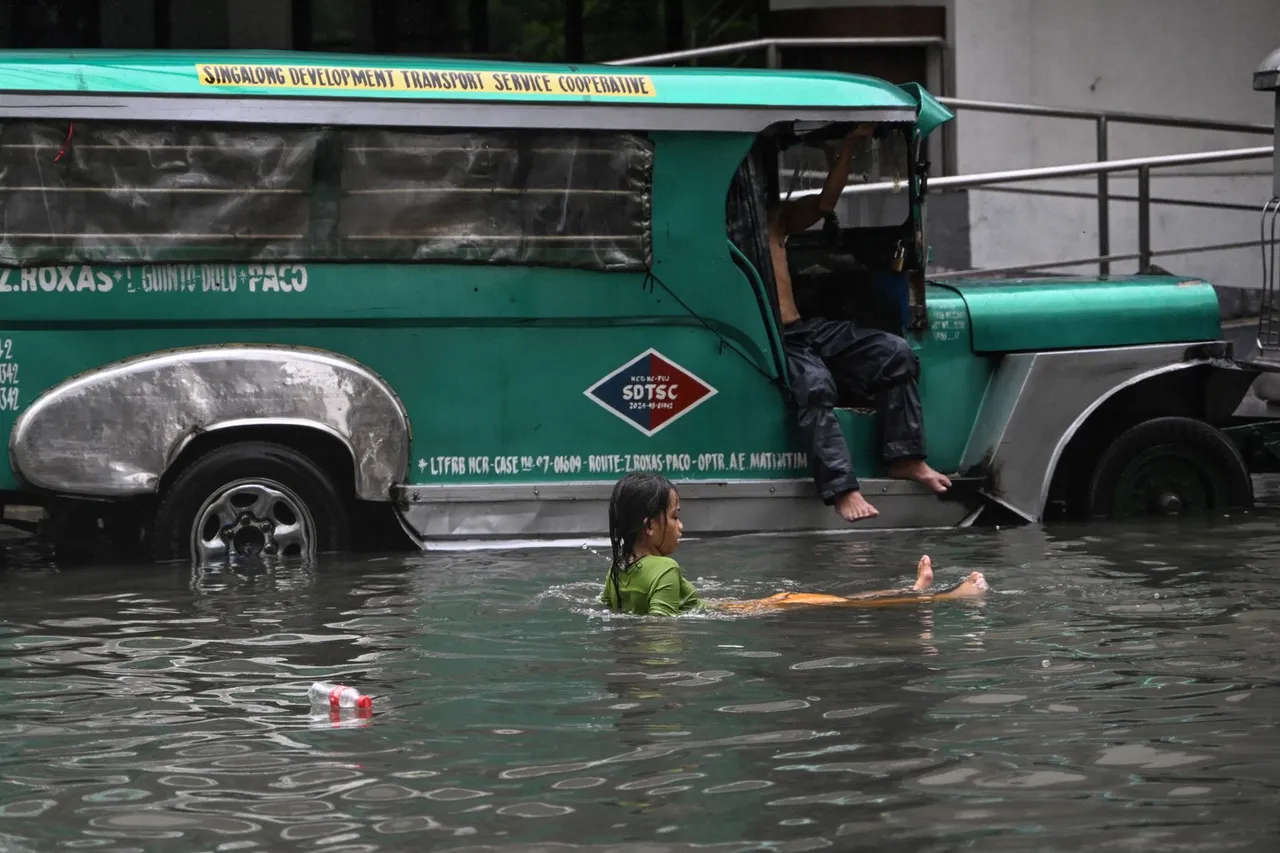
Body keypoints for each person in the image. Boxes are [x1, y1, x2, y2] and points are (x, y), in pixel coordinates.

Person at [768, 125, 952, 523]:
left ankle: (905, 458)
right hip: (770, 338)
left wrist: (848, 148)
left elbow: (825, 203)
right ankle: (842, 489)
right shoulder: (730, 229)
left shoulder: (775, 220)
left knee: (893, 353)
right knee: (816, 386)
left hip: (803, 328)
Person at [599, 472, 988, 617]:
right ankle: (946, 597)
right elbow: (661, 627)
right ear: (650, 526)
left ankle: (915, 592)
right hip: (737, 611)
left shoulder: (618, 569)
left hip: (722, 608)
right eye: (677, 516)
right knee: (837, 602)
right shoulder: (665, 569)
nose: (682, 526)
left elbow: (611, 610)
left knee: (815, 598)